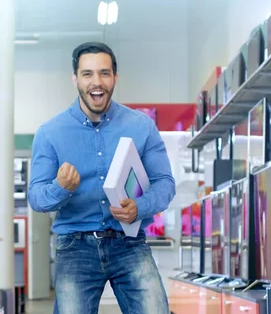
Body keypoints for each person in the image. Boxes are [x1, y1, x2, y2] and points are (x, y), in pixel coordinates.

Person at [28, 41, 176, 314]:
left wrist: (139, 208)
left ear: (115, 78)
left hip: (129, 243)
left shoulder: (141, 126)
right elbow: (36, 197)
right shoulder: (50, 133)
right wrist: (60, 188)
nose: (97, 82)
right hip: (75, 246)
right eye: (87, 74)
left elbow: (165, 184)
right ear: (75, 79)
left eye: (105, 73)